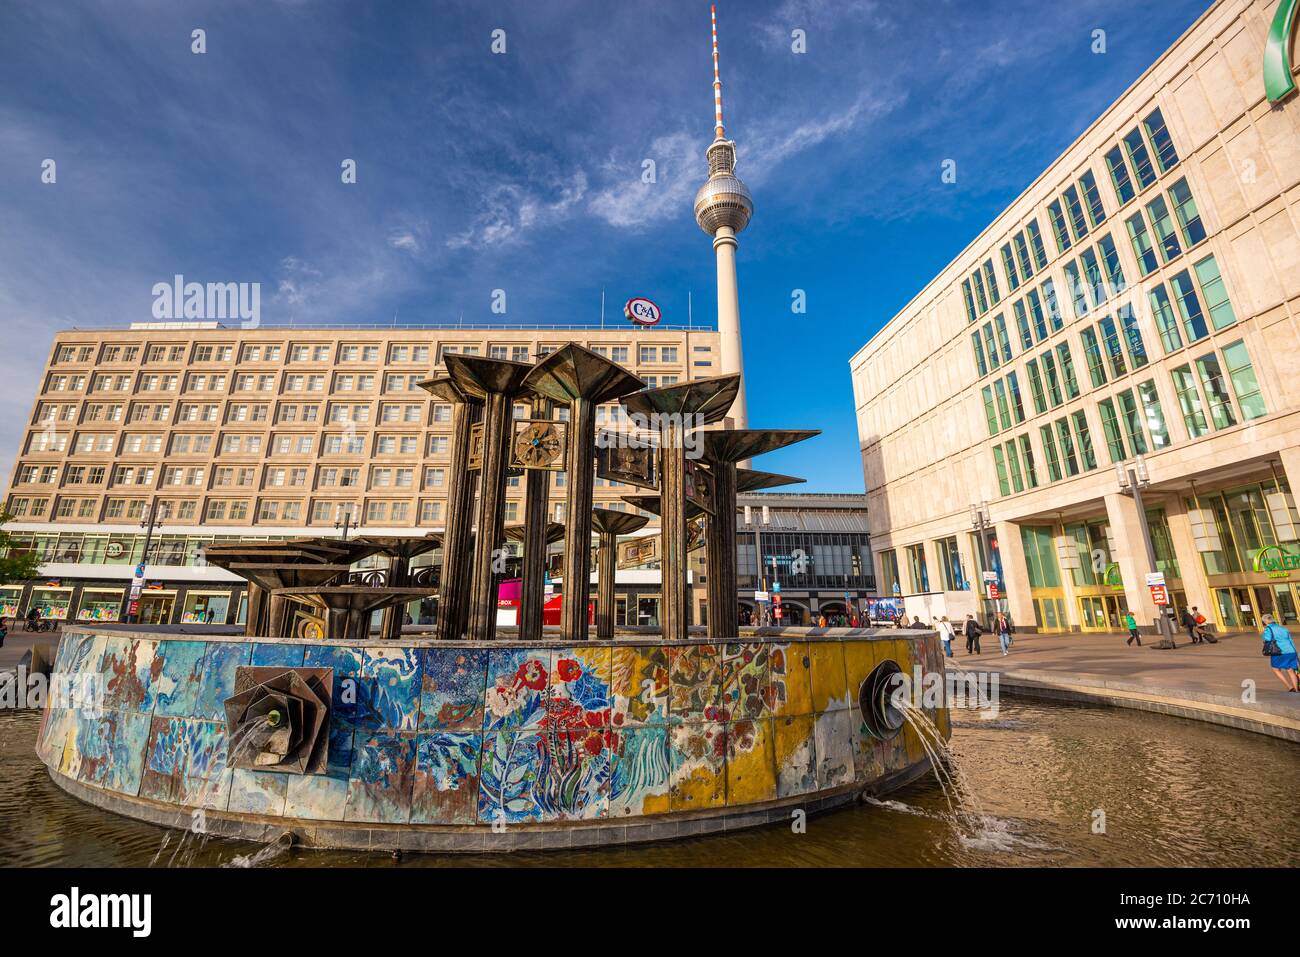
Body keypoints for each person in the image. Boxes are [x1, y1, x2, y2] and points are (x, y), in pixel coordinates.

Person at [1260, 613, 1299, 692]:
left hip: (1279, 652)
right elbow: (1290, 640)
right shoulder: (1283, 628)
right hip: (1291, 651)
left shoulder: (1268, 629)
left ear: (1265, 622)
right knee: (1290, 670)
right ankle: (1297, 690)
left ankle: (1290, 687)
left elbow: (1267, 639)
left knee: (1275, 669)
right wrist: (1296, 653)